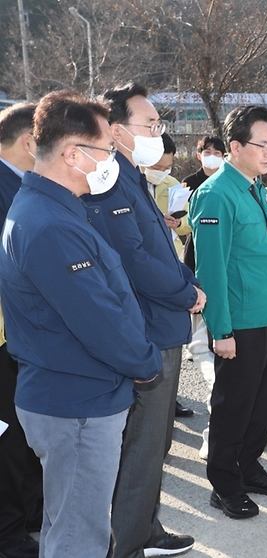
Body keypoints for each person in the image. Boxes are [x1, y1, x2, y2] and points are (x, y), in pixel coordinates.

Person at [0, 89, 162, 558]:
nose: (113, 159)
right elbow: (100, 319)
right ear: (73, 153)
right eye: (107, 149)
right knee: (79, 537)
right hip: (78, 404)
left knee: (68, 524)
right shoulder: (49, 224)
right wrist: (147, 363)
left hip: (76, 395)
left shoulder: (54, 209)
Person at [84, 83, 202, 558]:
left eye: (159, 125)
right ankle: (128, 543)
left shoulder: (133, 178)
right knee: (144, 444)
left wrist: (185, 279)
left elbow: (158, 248)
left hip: (160, 321)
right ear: (116, 131)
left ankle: (144, 529)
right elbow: (132, 259)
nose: (158, 132)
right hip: (147, 328)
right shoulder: (110, 182)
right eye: (150, 124)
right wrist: (184, 291)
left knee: (154, 443)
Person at [189, 105, 267, 519]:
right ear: (235, 146)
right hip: (241, 325)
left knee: (262, 404)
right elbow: (211, 270)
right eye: (262, 144)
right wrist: (221, 331)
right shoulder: (216, 193)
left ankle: (248, 467)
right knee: (234, 406)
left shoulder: (257, 189)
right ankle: (225, 484)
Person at [190, 272, 267, 458]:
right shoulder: (224, 281)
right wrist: (219, 378)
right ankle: (215, 434)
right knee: (230, 388)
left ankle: (264, 424)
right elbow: (199, 346)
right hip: (225, 360)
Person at [0, 102, 42, 558]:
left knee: (22, 433)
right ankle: (9, 536)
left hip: (16, 335)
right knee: (7, 437)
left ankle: (30, 514)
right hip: (5, 336)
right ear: (31, 143)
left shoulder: (19, 186)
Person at [143, 133, 196, 419]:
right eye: (158, 166)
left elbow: (188, 225)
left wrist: (177, 223)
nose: (162, 172)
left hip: (170, 257)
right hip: (144, 265)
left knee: (171, 338)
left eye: (167, 167)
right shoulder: (127, 185)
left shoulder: (174, 185)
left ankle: (170, 398)